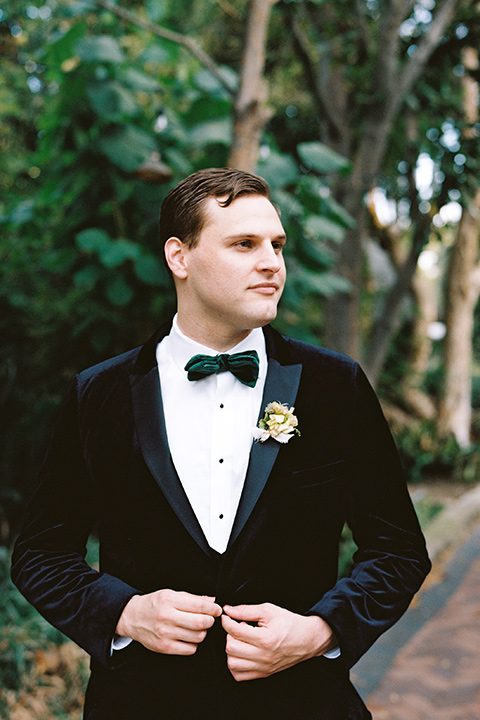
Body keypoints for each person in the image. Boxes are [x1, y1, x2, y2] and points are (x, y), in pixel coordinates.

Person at [11, 168, 430, 720]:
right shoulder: (100, 393)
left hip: (303, 705)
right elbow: (41, 553)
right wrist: (126, 613)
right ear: (179, 257)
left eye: (277, 245)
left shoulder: (334, 385)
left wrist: (317, 631)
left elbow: (398, 551)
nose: (271, 263)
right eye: (244, 244)